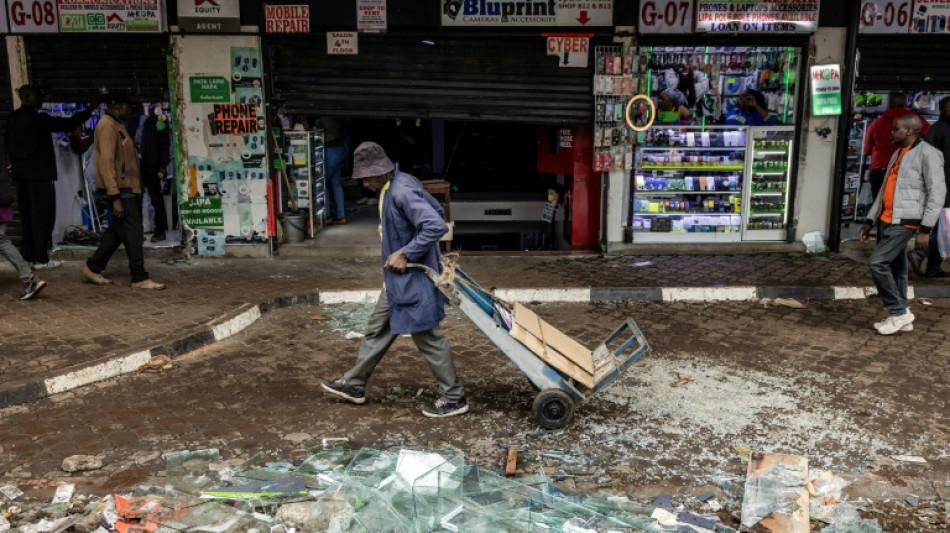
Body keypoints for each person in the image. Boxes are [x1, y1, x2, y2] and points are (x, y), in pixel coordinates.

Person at [321, 142, 468, 418]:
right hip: (396, 282)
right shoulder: (397, 185)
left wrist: (407, 251)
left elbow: (435, 224)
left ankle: (454, 398)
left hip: (413, 281)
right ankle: (354, 384)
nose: (364, 184)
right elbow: (435, 210)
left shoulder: (400, 191)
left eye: (366, 178)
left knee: (428, 337)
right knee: (377, 330)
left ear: (381, 172)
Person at [859, 114, 945, 335]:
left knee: (878, 262)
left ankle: (898, 312)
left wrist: (925, 230)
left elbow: (937, 193)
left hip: (907, 221)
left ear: (909, 131)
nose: (891, 132)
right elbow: (885, 189)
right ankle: (902, 315)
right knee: (896, 269)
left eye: (895, 129)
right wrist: (870, 220)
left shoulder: (928, 154)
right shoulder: (898, 153)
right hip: (887, 218)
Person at [5, 84, 97, 269]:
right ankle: (40, 258)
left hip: (21, 176)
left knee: (27, 217)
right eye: (38, 96)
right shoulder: (39, 119)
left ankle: (28, 256)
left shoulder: (12, 119)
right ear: (28, 98)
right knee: (42, 217)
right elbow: (67, 124)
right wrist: (90, 109)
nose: (41, 100)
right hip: (39, 176)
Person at [81, 91, 165, 290]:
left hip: (127, 188)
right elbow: (106, 162)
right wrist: (114, 196)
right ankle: (139, 277)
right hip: (121, 189)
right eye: (129, 107)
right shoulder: (107, 125)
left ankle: (93, 267)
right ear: (118, 106)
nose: (131, 111)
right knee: (134, 232)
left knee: (118, 232)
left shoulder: (118, 125)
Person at [909, 96, 950, 278]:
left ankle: (933, 265)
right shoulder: (943, 129)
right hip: (943, 184)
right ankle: (920, 254)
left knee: (943, 225)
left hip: (941, 183)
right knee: (942, 226)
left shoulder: (939, 128)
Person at [864, 92, 931, 201]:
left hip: (880, 170)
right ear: (905, 104)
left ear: (888, 104)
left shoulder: (876, 124)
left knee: (879, 206)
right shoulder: (916, 121)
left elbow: (867, 150)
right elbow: (931, 138)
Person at [0, 160, 46, 300]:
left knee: (1, 241)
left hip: (2, 199)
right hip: (3, 199)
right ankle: (30, 279)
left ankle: (30, 279)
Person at [127, 105, 171, 242]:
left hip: (151, 164)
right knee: (136, 200)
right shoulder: (131, 118)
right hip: (135, 164)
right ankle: (138, 233)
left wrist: (162, 165)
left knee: (156, 199)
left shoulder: (157, 119)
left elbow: (164, 143)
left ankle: (160, 231)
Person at [322, 117, 351, 225]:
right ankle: (340, 216)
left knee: (323, 182)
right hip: (340, 146)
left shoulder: (325, 115)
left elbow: (330, 129)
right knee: (335, 183)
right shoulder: (334, 114)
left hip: (331, 147)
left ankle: (327, 216)